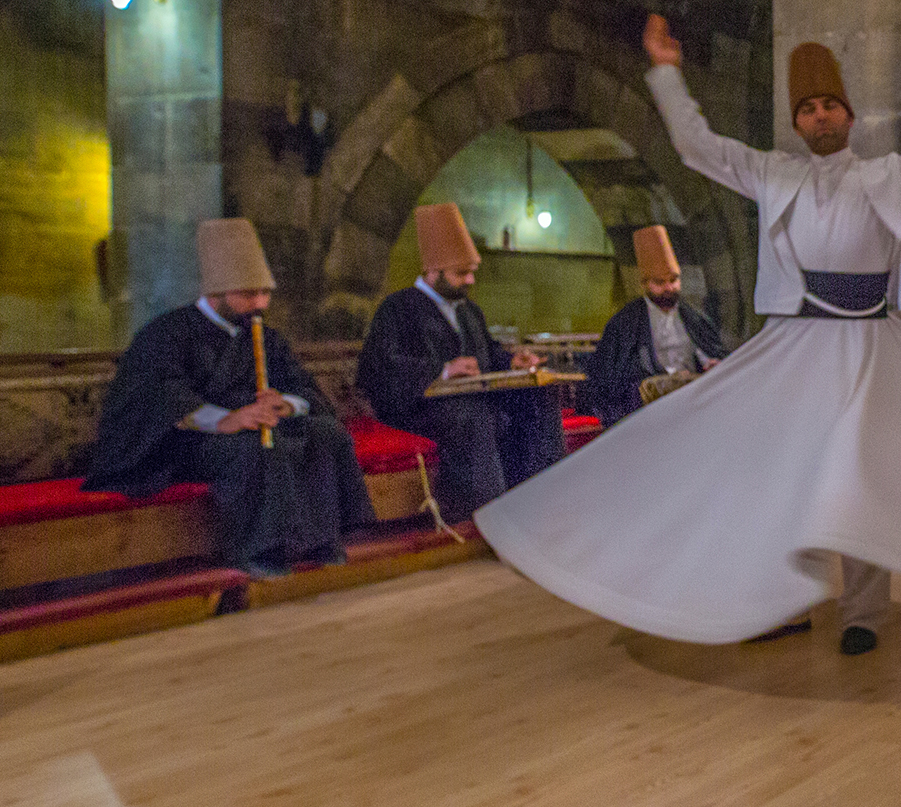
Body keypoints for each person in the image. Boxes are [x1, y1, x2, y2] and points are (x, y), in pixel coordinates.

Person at [474, 35, 901, 656]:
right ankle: (783, 600)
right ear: (800, 122)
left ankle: (864, 615)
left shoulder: (891, 175)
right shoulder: (773, 172)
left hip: (873, 343)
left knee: (860, 477)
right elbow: (698, 147)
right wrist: (667, 73)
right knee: (784, 470)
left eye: (830, 105)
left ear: (849, 115)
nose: (820, 116)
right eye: (809, 108)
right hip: (796, 341)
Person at [84, 218, 374, 575]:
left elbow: (304, 386)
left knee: (323, 432)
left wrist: (286, 403)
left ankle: (320, 539)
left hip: (258, 428)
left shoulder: (267, 337)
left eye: (264, 293)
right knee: (259, 448)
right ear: (217, 292)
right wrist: (224, 419)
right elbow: (159, 395)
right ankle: (259, 550)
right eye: (248, 294)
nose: (259, 304)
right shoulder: (168, 333)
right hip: (187, 440)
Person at [354, 202, 564, 526]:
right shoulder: (397, 308)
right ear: (434, 272)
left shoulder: (468, 310)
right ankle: (485, 520)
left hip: (469, 398)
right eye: (461, 273)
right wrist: (444, 370)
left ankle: (541, 507)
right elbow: (380, 366)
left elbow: (488, 353)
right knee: (475, 419)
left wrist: (513, 360)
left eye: (471, 272)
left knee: (537, 400)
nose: (469, 281)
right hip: (416, 407)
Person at [580, 225, 726, 426]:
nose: (668, 288)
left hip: (693, 407)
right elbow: (608, 380)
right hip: (649, 414)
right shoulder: (624, 324)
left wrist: (712, 364)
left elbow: (714, 352)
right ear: (644, 284)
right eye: (659, 282)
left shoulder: (694, 318)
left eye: (673, 280)